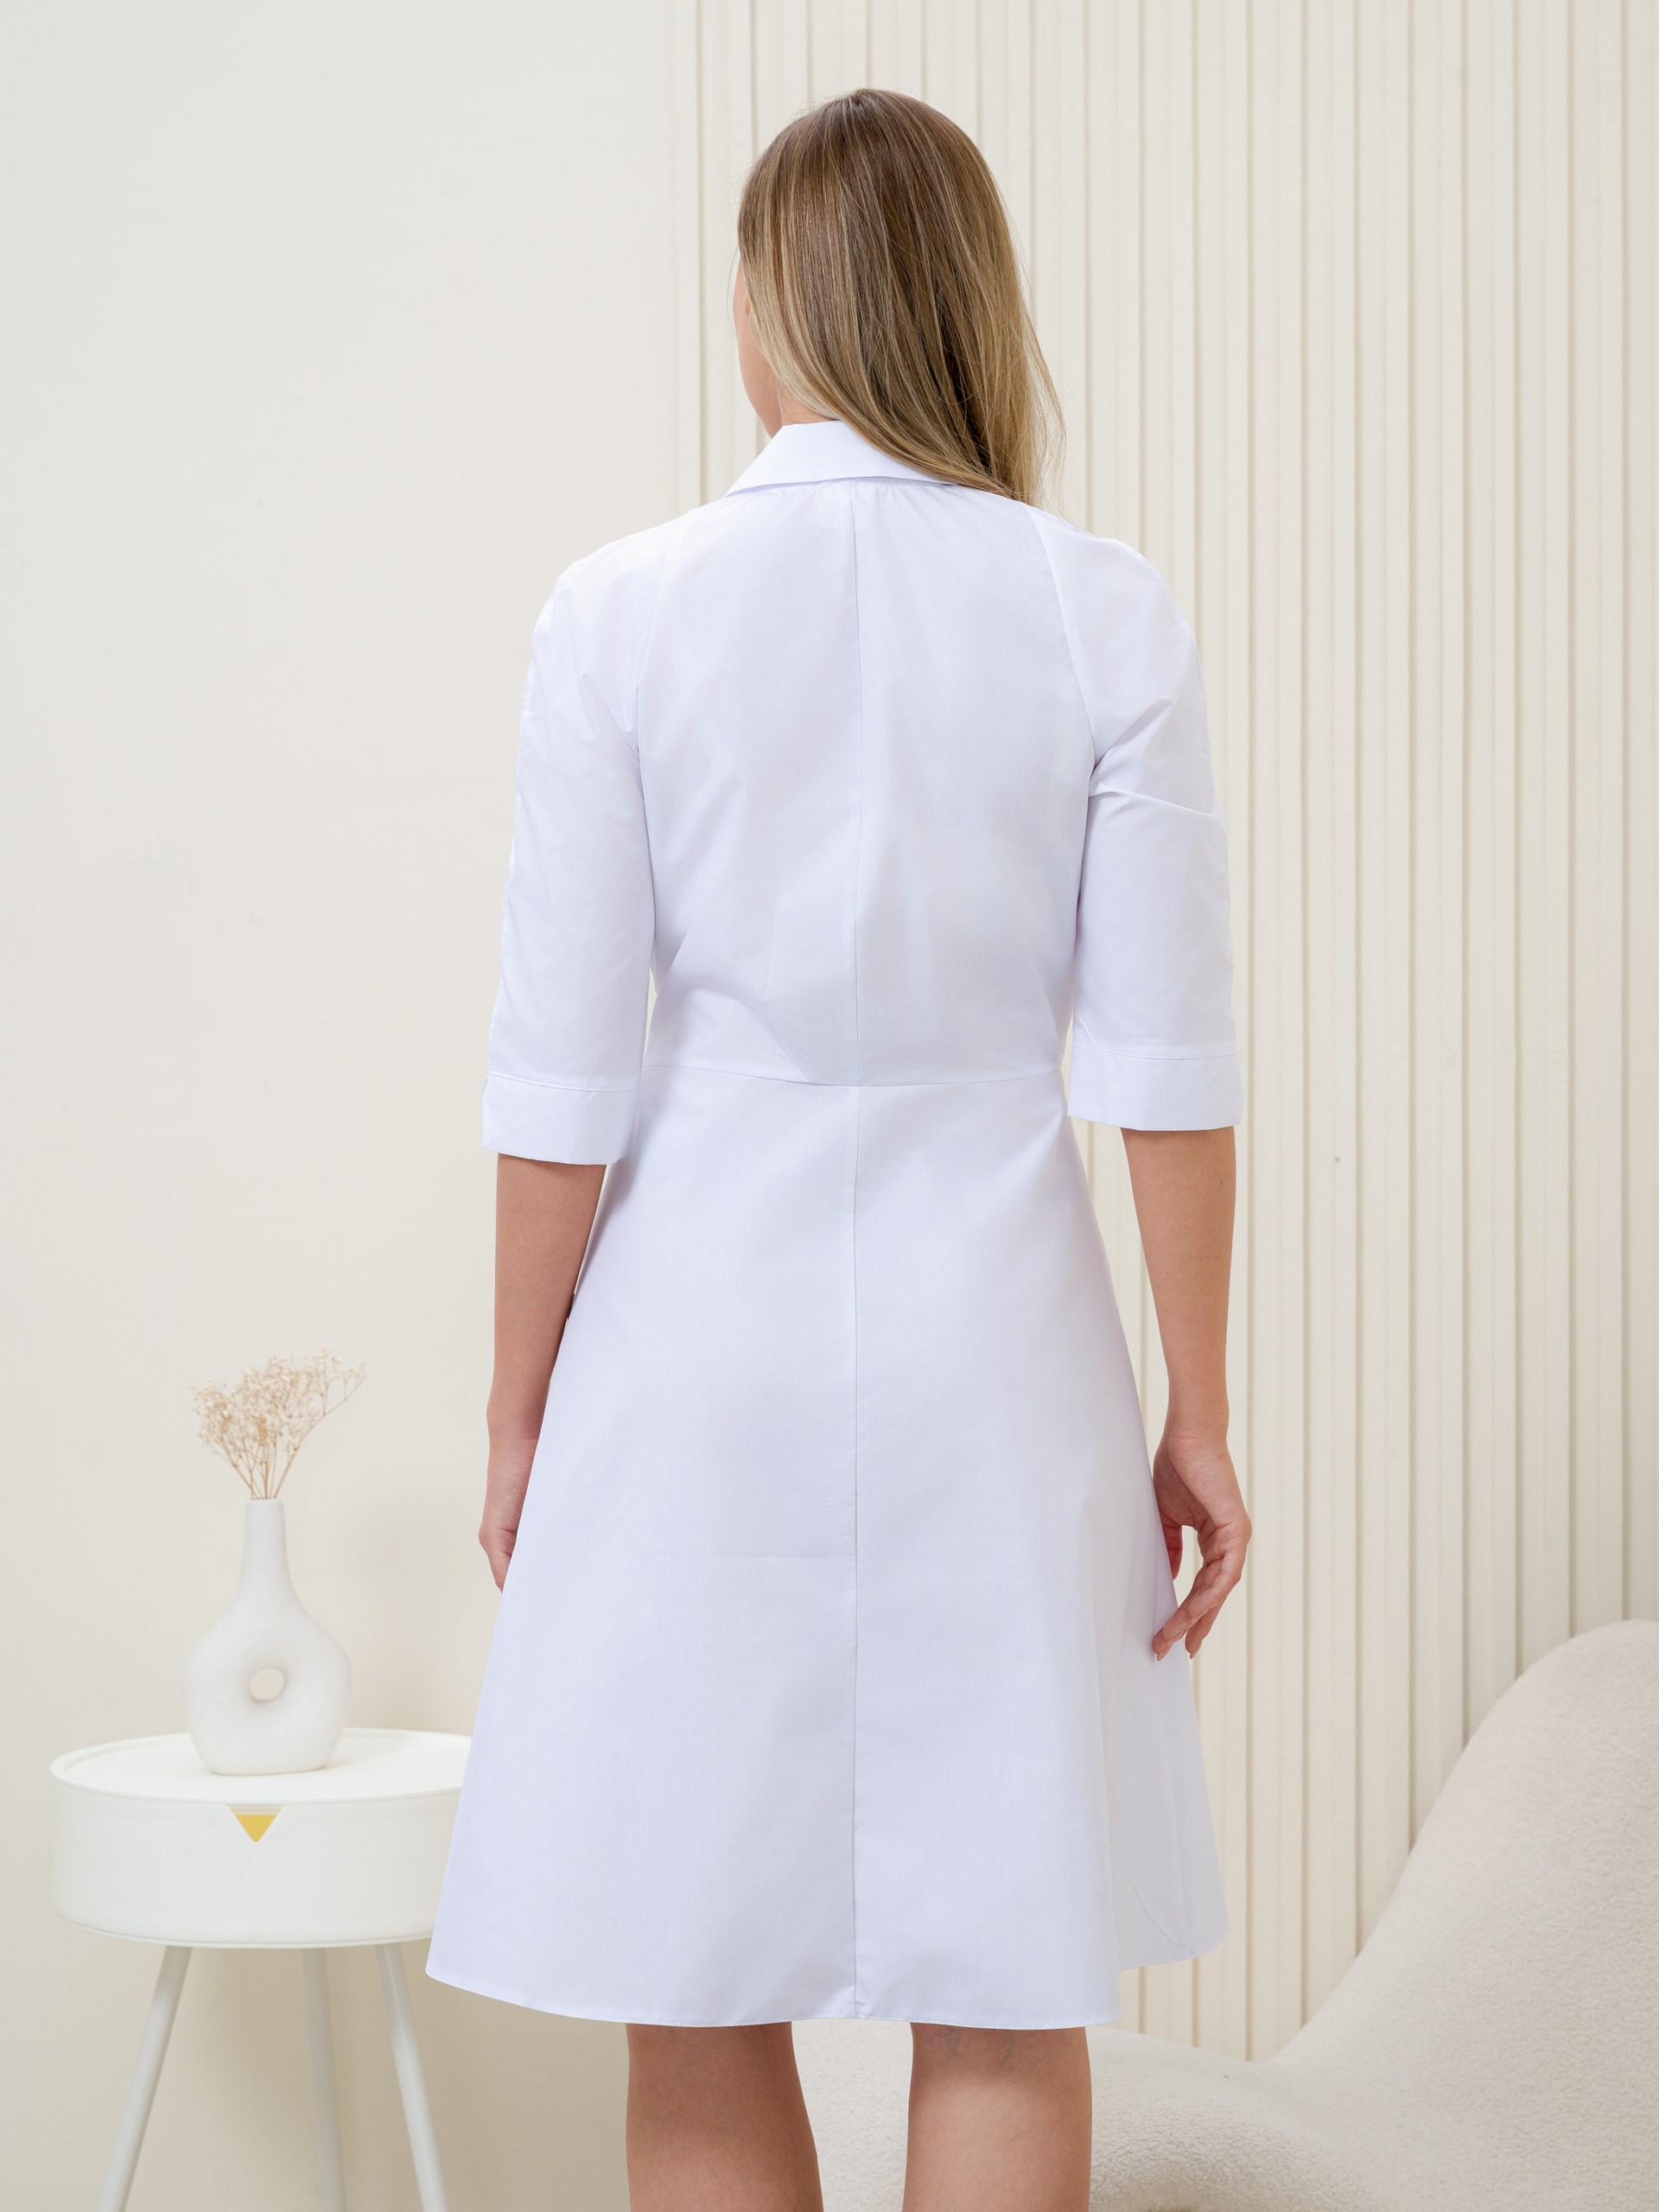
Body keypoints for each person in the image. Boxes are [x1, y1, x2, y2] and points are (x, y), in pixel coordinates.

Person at [426, 86, 1249, 2212]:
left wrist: (517, 1409)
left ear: (762, 310)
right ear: (967, 307)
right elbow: (1167, 1062)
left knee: (697, 1979)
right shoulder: (1103, 610)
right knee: (1005, 1983)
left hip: (692, 1343)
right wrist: (1198, 1406)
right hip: (1007, 1343)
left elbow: (558, 1074)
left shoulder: (618, 609)